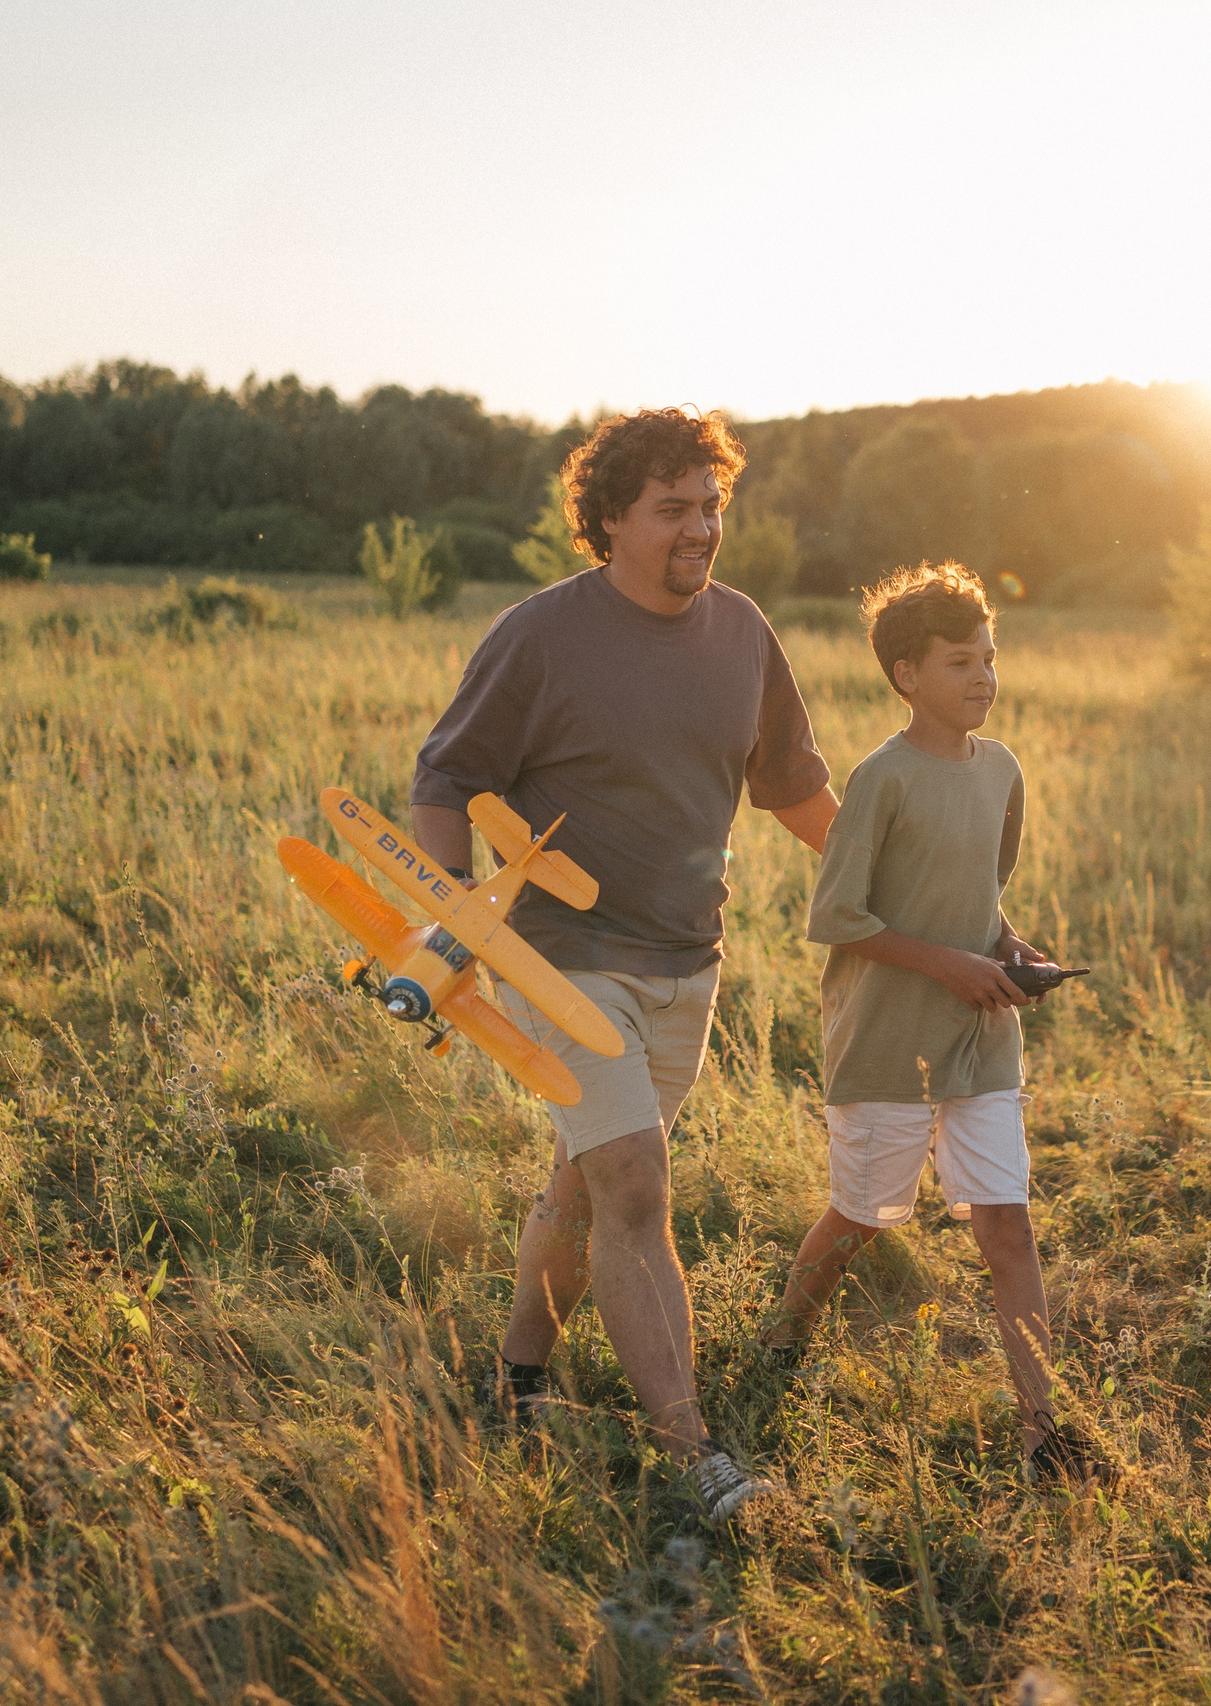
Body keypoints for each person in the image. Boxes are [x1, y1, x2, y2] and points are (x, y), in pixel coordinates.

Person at [411, 408, 836, 1521]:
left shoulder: (744, 633)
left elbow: (791, 789)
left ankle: (517, 1376)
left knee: (587, 1177)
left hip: (684, 958)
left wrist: (899, 888)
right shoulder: (542, 635)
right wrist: (454, 912)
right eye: (673, 510)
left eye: (711, 506)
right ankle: (695, 1457)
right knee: (636, 1183)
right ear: (607, 521)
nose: (701, 529)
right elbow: (446, 777)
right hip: (560, 955)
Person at [760, 562, 1111, 1485]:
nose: (984, 678)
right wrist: (950, 965)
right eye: (961, 662)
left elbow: (982, 895)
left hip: (981, 1039)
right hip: (887, 1042)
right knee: (861, 1217)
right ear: (907, 674)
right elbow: (837, 917)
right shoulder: (883, 779)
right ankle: (780, 1346)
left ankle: (1046, 1432)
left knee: (1008, 1226)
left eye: (991, 659)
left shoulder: (1002, 771)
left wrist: (1007, 948)